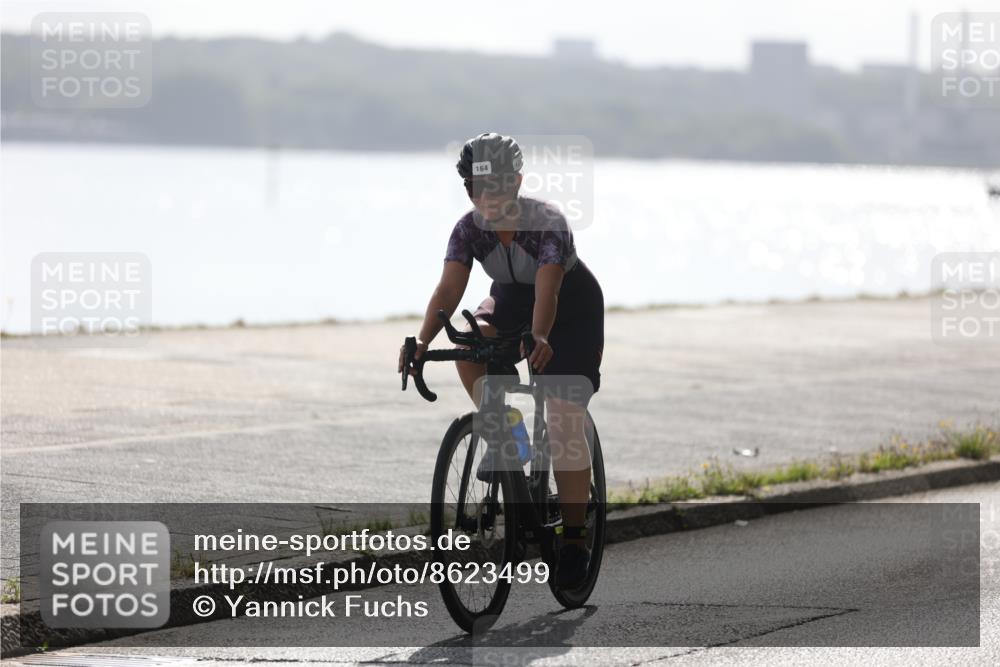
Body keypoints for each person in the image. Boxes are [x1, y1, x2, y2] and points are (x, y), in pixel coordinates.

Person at [397, 132, 604, 588]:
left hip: (569, 309)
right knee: (470, 344)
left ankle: (574, 538)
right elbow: (449, 290)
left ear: (517, 183)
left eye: (496, 186)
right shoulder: (468, 229)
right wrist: (424, 342)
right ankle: (506, 427)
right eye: (476, 187)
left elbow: (548, 290)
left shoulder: (546, 222)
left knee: (564, 413)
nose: (486, 197)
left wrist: (541, 337)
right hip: (511, 302)